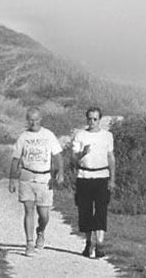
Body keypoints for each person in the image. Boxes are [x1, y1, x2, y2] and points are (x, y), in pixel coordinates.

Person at [9, 107, 64, 257]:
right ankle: (29, 243)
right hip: (27, 176)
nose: (33, 122)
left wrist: (60, 171)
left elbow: (58, 156)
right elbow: (15, 159)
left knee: (44, 214)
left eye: (36, 119)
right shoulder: (23, 137)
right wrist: (12, 179)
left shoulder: (48, 135)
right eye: (30, 120)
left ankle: (41, 230)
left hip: (44, 179)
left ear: (41, 119)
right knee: (29, 210)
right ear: (27, 120)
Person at [72, 106, 116, 258]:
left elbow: (111, 158)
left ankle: (100, 245)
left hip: (102, 176)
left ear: (100, 120)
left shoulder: (107, 136)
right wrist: (82, 153)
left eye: (95, 119)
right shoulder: (80, 135)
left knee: (101, 210)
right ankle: (88, 242)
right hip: (84, 176)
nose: (92, 122)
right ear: (86, 119)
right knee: (85, 211)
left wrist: (113, 179)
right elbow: (74, 159)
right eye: (90, 119)